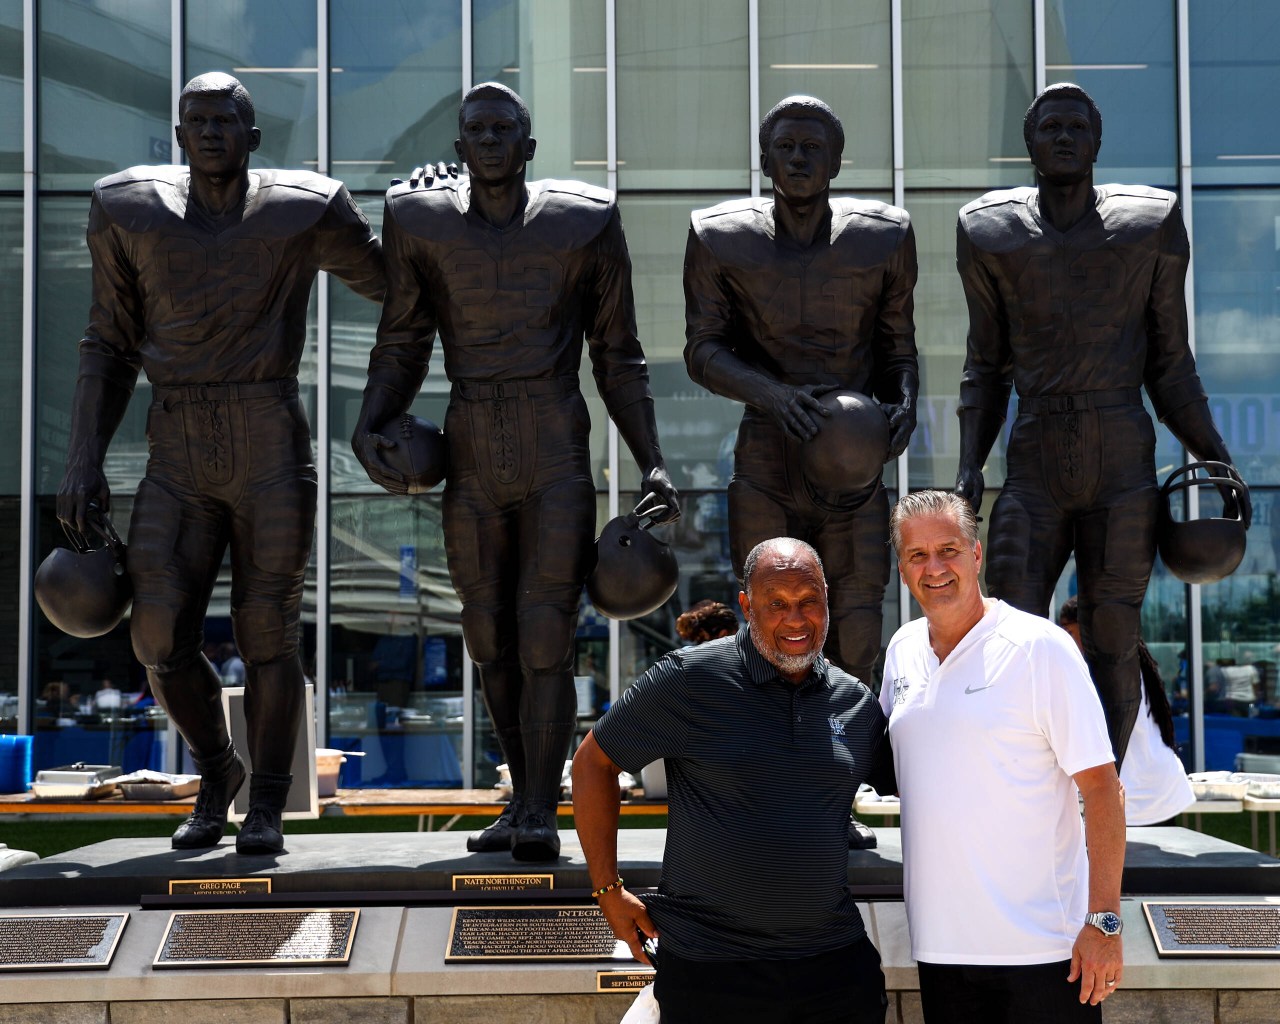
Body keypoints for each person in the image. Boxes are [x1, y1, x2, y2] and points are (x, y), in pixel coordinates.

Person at [54, 72, 386, 854]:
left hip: (269, 429)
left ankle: (268, 801)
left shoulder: (303, 208)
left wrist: (434, 203)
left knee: (268, 630)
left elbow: (400, 284)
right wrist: (83, 459)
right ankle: (217, 770)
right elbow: (107, 343)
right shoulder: (127, 209)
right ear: (177, 136)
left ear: (253, 134)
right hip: (176, 441)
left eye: (224, 119)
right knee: (157, 636)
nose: (208, 132)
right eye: (195, 120)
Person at [352, 81, 680, 862]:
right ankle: (519, 795)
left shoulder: (584, 222)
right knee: (487, 634)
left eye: (505, 129)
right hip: (470, 437)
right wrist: (368, 423)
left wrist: (654, 460)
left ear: (529, 146)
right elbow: (402, 340)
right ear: (460, 147)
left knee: (544, 636)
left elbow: (619, 356)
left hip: (552, 438)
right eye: (477, 130)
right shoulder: (418, 221)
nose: (491, 141)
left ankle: (541, 804)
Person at [953, 82, 1250, 769]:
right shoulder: (989, 231)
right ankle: (1020, 783)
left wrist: (1216, 455)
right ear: (1028, 143)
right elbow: (985, 366)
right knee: (1011, 622)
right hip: (1035, 451)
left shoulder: (1149, 225)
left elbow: (1171, 366)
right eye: (1050, 126)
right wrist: (970, 465)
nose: (1063, 137)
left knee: (1112, 632)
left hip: (1121, 448)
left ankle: (1102, 796)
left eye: (1076, 127)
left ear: (1097, 141)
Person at [573, 537, 895, 1024]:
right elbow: (592, 764)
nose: (795, 619)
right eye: (776, 604)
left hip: (834, 967)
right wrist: (607, 891)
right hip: (711, 968)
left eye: (809, 602)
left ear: (828, 602)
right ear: (746, 605)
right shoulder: (687, 679)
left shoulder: (856, 704)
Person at [683, 95, 918, 685]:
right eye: (784, 147)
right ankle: (773, 772)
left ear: (837, 161)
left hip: (852, 458)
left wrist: (906, 403)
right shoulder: (719, 237)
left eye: (812, 148)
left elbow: (898, 350)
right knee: (769, 632)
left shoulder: (883, 238)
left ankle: (851, 772)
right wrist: (774, 395)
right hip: (769, 452)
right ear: (764, 159)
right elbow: (701, 350)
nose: (796, 158)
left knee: (858, 632)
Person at [884, 489, 1125, 1022]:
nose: (935, 567)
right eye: (917, 555)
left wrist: (1105, 922)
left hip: (1045, 953)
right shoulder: (900, 650)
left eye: (948, 549)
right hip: (941, 950)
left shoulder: (1040, 648)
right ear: (901, 568)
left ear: (976, 555)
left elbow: (1103, 788)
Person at [1058, 596, 1193, 826]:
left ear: (1090, 629)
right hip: (1158, 787)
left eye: (1070, 634)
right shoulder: (1129, 659)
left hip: (1138, 796)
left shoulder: (1101, 670)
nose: (1066, 642)